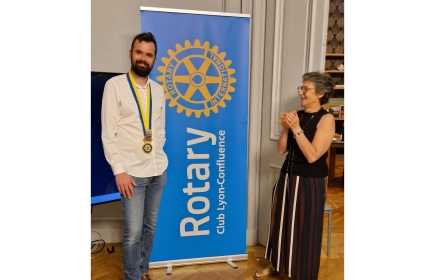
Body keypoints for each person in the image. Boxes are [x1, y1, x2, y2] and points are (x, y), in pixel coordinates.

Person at [253, 72, 335, 280]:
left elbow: (312, 155)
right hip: (287, 177)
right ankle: (275, 265)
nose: (300, 92)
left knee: (305, 229)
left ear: (320, 93)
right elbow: (282, 150)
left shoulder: (326, 119)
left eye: (305, 89)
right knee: (280, 224)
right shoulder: (297, 115)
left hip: (310, 182)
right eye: (301, 88)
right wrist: (285, 128)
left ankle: (304, 274)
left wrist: (296, 128)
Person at [101, 32, 168, 280]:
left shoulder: (158, 91)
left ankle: (142, 272)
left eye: (148, 55)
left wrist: (157, 151)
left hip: (157, 171)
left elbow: (160, 130)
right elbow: (109, 134)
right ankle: (131, 277)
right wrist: (119, 170)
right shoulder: (115, 86)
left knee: (150, 228)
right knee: (132, 232)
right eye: (139, 52)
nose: (143, 58)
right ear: (131, 54)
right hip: (131, 176)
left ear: (154, 59)